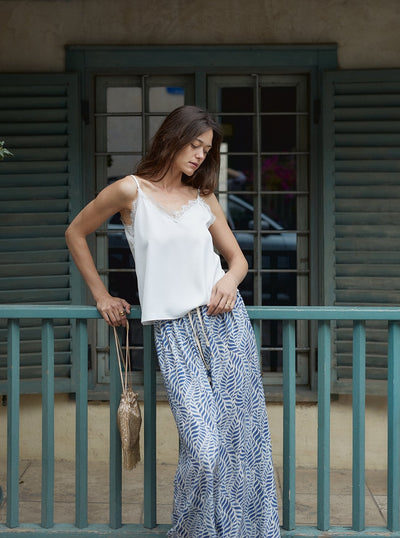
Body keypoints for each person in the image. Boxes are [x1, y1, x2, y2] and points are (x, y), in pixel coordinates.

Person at [65, 105, 280, 537]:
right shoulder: (130, 191)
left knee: (241, 445)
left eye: (207, 149)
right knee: (204, 448)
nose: (201, 155)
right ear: (172, 138)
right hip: (176, 334)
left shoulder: (203, 197)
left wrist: (230, 283)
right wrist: (102, 294)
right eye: (195, 145)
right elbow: (75, 232)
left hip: (226, 326)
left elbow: (237, 260)